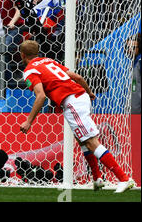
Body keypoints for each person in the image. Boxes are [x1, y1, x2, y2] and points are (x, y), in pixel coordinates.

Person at [19, 40, 135, 193]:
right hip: (80, 96)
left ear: (22, 55)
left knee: (90, 142)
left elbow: (40, 96)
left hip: (72, 101)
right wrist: (89, 92)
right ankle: (97, 178)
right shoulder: (49, 61)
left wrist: (28, 121)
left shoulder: (29, 70)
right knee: (82, 140)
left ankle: (123, 178)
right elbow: (78, 78)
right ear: (37, 52)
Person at [129, 33, 141, 114]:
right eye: (128, 47)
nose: (130, 50)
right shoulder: (134, 61)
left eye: (133, 47)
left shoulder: (139, 62)